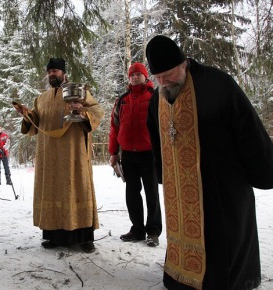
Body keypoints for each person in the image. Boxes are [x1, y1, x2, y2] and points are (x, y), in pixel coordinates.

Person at [145, 35, 273, 290]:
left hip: (222, 183)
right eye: (157, 78)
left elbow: (247, 128)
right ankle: (181, 277)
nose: (163, 82)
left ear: (183, 63)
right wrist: (162, 174)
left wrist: (264, 169)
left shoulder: (217, 84)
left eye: (168, 74)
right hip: (181, 191)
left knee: (222, 239)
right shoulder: (156, 98)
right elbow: (157, 137)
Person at [15, 57, 104, 253]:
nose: (51, 74)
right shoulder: (41, 99)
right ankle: (53, 236)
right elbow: (35, 125)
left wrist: (82, 111)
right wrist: (27, 115)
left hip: (73, 153)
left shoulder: (79, 92)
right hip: (49, 155)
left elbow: (97, 110)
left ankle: (84, 238)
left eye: (55, 71)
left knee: (78, 188)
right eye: (49, 71)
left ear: (63, 73)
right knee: (52, 190)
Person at [108, 62, 162, 247]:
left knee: (151, 193)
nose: (135, 77)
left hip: (149, 154)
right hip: (128, 155)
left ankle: (153, 231)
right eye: (132, 75)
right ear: (129, 78)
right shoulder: (122, 99)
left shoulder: (155, 97)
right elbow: (114, 127)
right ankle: (137, 229)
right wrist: (113, 152)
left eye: (138, 74)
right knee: (132, 193)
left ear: (145, 76)